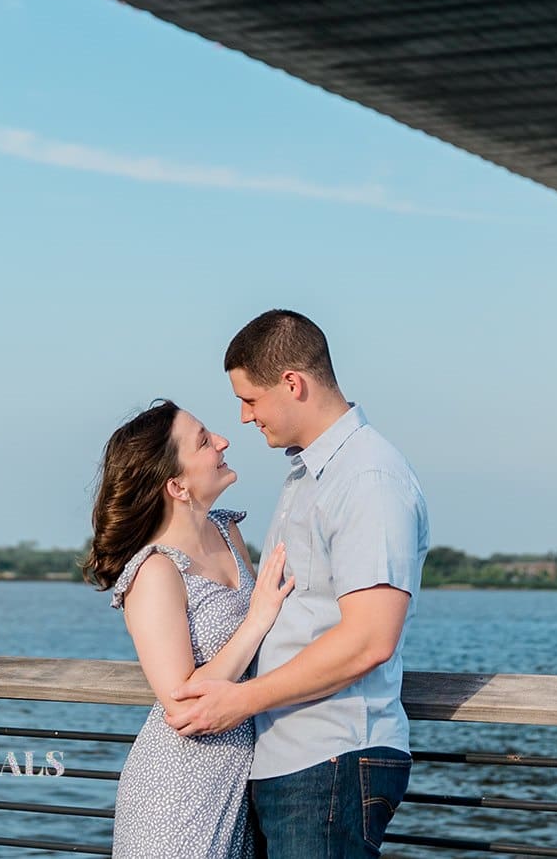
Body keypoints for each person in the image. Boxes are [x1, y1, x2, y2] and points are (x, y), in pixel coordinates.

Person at [164, 310, 431, 859]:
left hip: (331, 757)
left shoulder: (367, 478)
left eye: (251, 399)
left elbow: (370, 639)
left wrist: (240, 702)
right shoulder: (311, 474)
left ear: (293, 384)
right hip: (294, 760)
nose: (242, 417)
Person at [83, 399, 294, 859]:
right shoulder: (155, 572)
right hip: (178, 794)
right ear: (177, 485)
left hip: (240, 783)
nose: (222, 441)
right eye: (203, 441)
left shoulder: (227, 531)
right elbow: (181, 699)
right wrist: (258, 618)